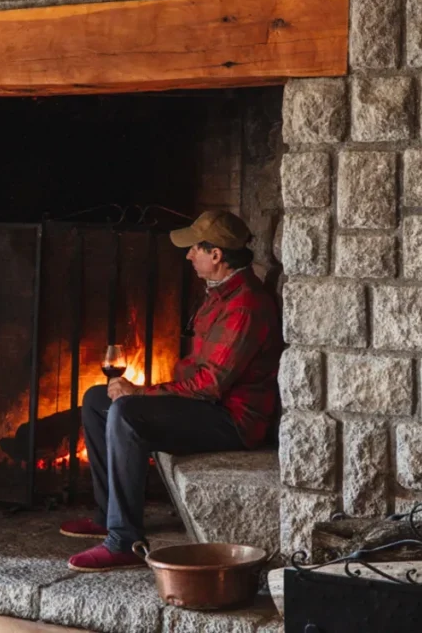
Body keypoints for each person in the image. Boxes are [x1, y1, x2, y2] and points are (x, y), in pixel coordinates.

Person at [60, 209, 284, 572]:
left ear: (217, 255)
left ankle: (123, 540)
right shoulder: (220, 294)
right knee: (97, 400)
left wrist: (140, 393)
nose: (188, 255)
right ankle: (107, 514)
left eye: (195, 248)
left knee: (126, 412)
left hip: (232, 420)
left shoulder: (245, 306)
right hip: (208, 407)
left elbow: (209, 386)